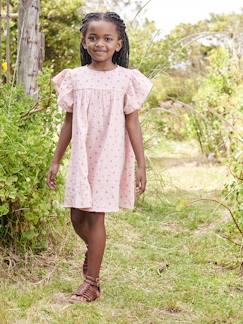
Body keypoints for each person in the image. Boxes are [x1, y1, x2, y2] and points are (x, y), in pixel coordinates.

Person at [47, 11, 153, 303]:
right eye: (93, 38)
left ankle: (91, 283)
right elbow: (68, 123)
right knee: (76, 215)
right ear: (84, 41)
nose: (100, 44)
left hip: (110, 156)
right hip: (82, 156)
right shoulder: (75, 78)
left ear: (119, 44)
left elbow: (133, 123)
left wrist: (142, 165)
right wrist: (56, 160)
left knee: (95, 217)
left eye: (107, 38)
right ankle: (94, 250)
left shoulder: (126, 80)